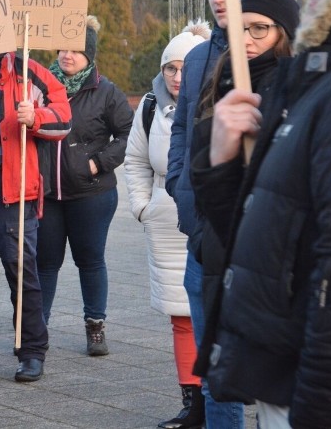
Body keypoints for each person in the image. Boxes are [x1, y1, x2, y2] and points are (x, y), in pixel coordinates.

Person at [190, 0, 331, 429]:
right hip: (281, 359)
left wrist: (317, 396)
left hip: (308, 376)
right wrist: (220, 160)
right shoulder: (309, 85)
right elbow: (255, 226)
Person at [166, 0, 267, 428]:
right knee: (211, 365)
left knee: (248, 369)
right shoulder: (200, 56)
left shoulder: (272, 55)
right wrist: (177, 181)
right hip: (200, 234)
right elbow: (183, 125)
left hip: (251, 237)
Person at [0, 50, 72, 383]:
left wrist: (35, 117)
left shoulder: (29, 70)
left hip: (12, 184)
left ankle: (32, 351)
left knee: (20, 267)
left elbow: (64, 117)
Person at [124, 23, 210, 428]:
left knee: (217, 313)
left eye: (185, 68)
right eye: (170, 69)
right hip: (165, 220)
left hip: (210, 217)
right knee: (181, 315)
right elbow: (136, 160)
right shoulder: (149, 106)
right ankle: (192, 403)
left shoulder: (218, 96)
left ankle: (221, 396)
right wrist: (143, 206)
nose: (177, 77)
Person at [37, 16, 133, 355]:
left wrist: (97, 163)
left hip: (92, 193)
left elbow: (127, 135)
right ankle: (38, 330)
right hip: (47, 193)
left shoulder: (106, 91)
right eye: (63, 47)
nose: (67, 55)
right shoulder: (39, 88)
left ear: (89, 54)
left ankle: (95, 326)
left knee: (90, 260)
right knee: (45, 263)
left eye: (76, 49)